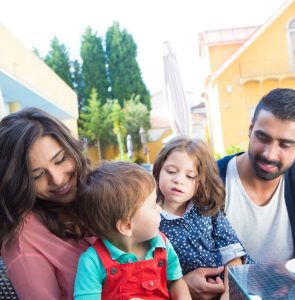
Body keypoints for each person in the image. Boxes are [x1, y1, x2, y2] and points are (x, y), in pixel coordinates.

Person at [0, 107, 93, 299]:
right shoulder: (24, 237)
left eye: (60, 160)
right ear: (19, 183)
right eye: (37, 175)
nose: (57, 180)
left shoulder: (101, 191)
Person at [74, 161, 191, 300]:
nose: (160, 209)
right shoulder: (92, 262)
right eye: (153, 205)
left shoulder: (162, 245)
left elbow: (175, 282)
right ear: (126, 226)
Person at [153, 136, 251, 299]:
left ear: (201, 182)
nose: (178, 180)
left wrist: (228, 293)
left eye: (190, 176)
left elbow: (232, 253)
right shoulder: (151, 218)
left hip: (231, 285)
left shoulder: (207, 209)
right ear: (158, 171)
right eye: (171, 171)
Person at [218, 88, 295, 264]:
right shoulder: (212, 178)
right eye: (262, 138)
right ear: (250, 129)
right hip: (225, 291)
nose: (270, 154)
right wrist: (183, 279)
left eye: (285, 145)